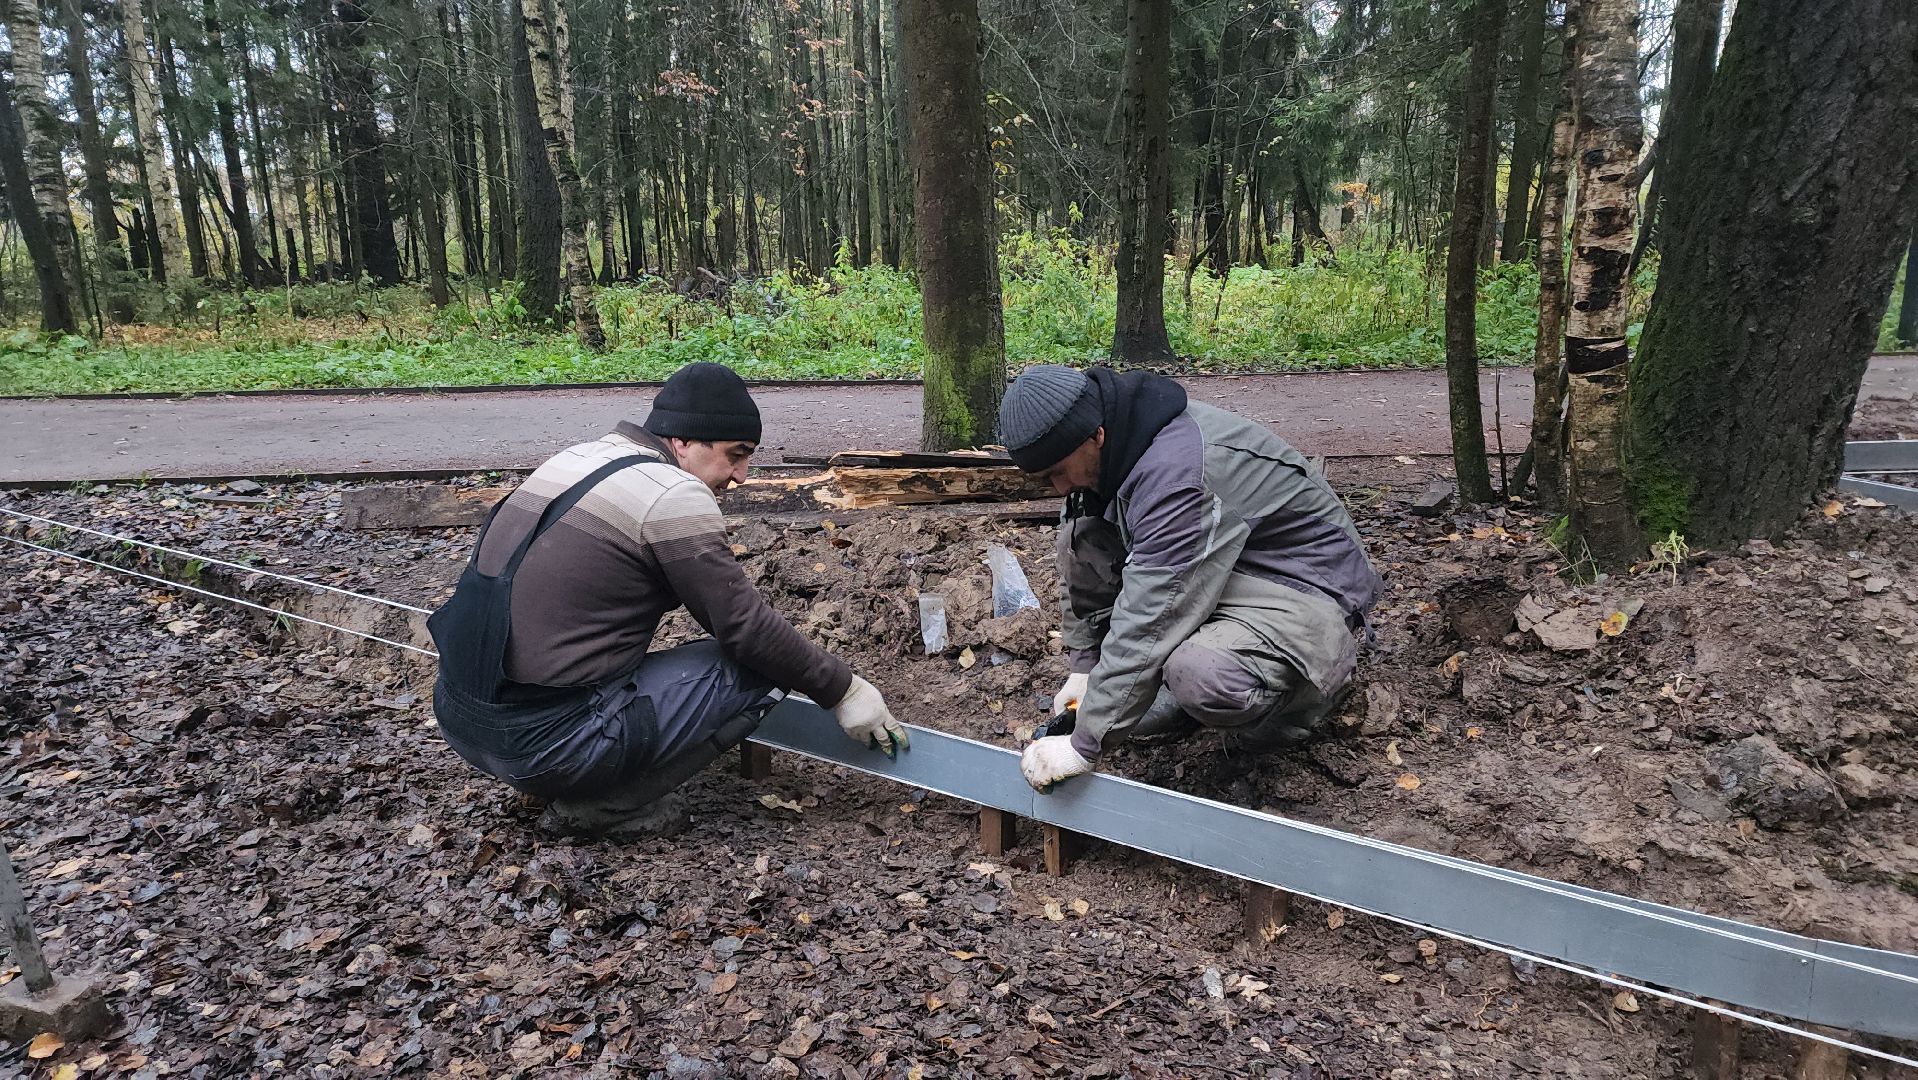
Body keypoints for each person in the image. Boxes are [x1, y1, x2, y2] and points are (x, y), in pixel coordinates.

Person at [428, 362, 907, 838]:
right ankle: (610, 805)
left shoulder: (578, 458)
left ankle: (553, 764)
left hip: (461, 717)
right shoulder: (672, 494)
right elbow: (745, 629)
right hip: (543, 746)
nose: (741, 475)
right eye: (734, 454)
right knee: (766, 664)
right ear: (682, 441)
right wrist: (844, 690)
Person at [998, 364, 1382, 794]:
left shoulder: (1177, 476)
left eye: (1058, 471)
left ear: (1096, 436)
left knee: (1202, 675)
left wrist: (1084, 744)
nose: (1056, 487)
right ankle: (1163, 690)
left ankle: (1301, 703)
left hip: (1305, 585)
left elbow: (1153, 614)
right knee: (1083, 531)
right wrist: (1086, 668)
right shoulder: (1108, 451)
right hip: (1229, 565)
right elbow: (1084, 562)